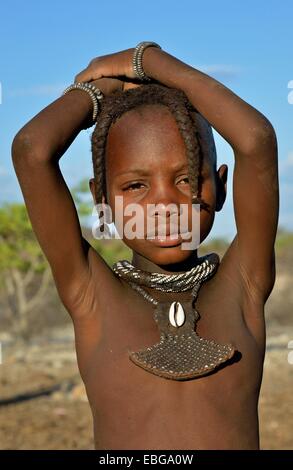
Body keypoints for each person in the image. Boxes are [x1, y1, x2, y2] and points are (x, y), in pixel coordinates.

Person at [11, 42, 279, 450]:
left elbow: (256, 140)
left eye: (187, 178)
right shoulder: (92, 296)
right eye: (136, 186)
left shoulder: (243, 288)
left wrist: (146, 60)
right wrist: (101, 92)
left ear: (221, 186)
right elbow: (33, 149)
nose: (164, 205)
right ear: (102, 201)